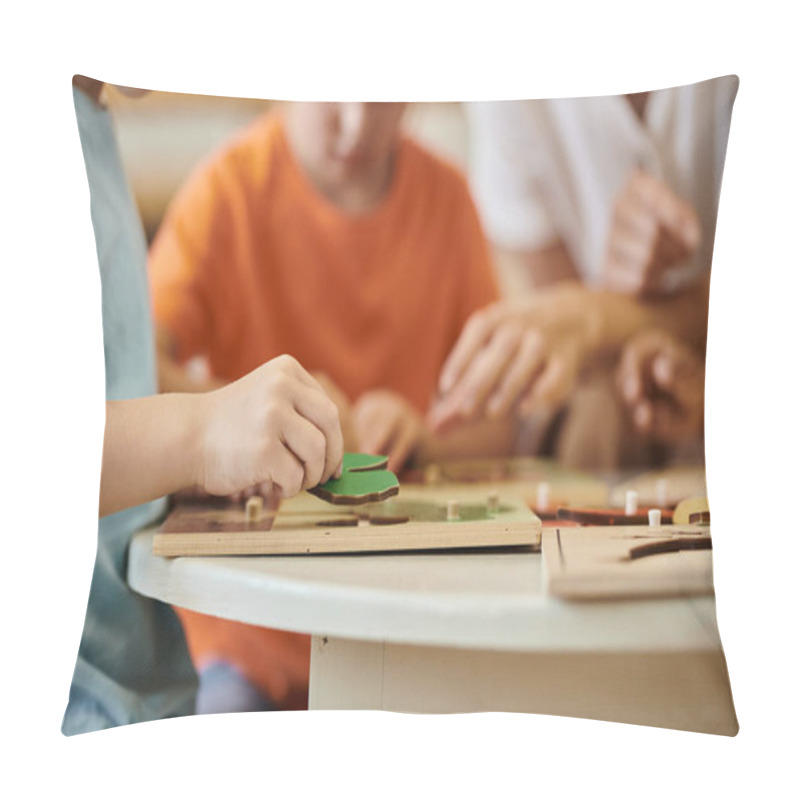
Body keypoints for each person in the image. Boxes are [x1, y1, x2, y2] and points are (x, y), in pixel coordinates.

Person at [147, 100, 512, 714]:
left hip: (405, 627)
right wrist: (241, 411)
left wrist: (425, 434)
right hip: (247, 635)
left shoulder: (448, 200)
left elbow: (504, 424)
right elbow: (131, 367)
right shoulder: (229, 189)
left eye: (383, 97)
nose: (355, 123)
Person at [62, 76, 343, 735]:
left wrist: (206, 452)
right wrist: (199, 434)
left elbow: (110, 381)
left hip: (140, 694)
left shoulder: (89, 117)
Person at [430, 77, 737, 467]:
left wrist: (597, 316)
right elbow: (575, 361)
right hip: (647, 396)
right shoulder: (504, 98)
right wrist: (616, 317)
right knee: (597, 415)